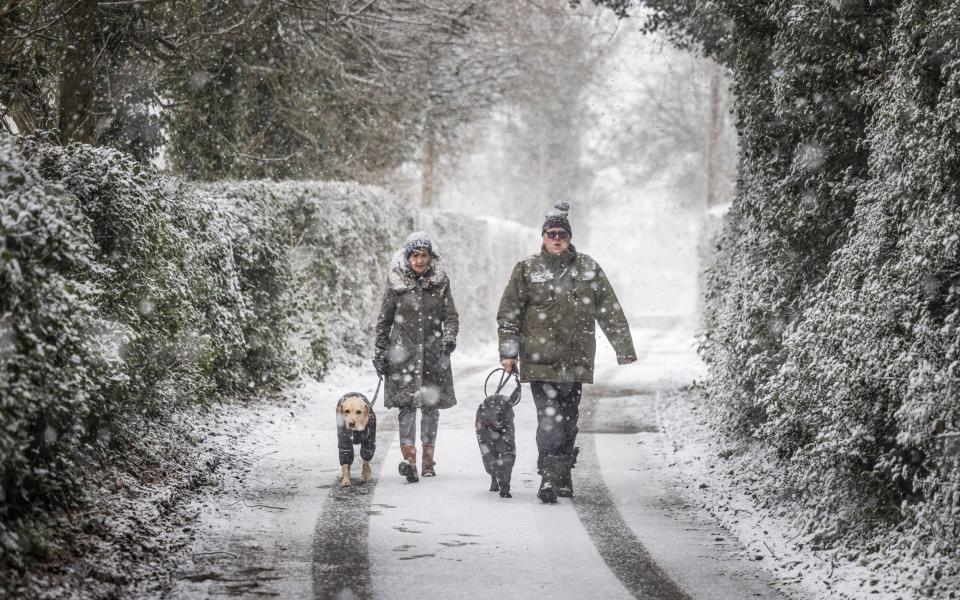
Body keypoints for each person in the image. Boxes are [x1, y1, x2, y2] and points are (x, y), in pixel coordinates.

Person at [496, 202, 636, 503]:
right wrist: (509, 352)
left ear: (569, 237)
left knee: (568, 421)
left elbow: (609, 311)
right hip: (539, 360)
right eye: (550, 233)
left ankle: (562, 474)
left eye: (561, 233)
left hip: (575, 361)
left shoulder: (588, 268)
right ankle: (548, 476)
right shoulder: (526, 269)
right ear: (543, 237)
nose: (556, 238)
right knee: (549, 420)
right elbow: (509, 313)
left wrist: (623, 348)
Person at [374, 231, 459, 482]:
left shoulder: (440, 282)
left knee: (431, 407)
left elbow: (451, 317)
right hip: (403, 354)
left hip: (434, 353)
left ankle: (427, 460)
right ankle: (409, 459)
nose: (419, 261)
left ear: (430, 258)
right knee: (407, 407)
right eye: (414, 255)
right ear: (407, 257)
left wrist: (449, 338)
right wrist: (380, 351)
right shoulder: (397, 283)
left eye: (423, 256)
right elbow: (384, 320)